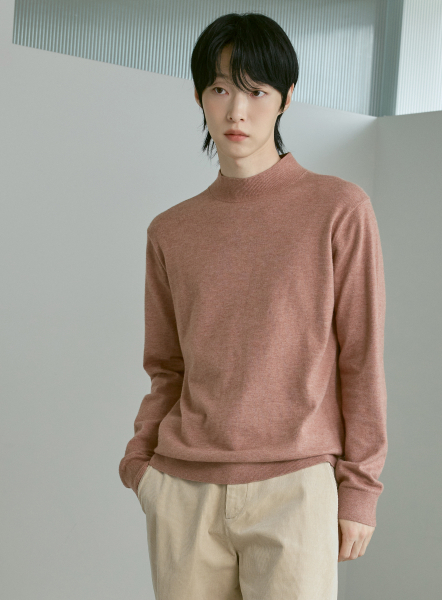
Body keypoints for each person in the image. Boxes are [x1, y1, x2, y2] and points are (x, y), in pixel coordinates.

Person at [119, 12, 387, 600]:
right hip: (183, 491)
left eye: (256, 91)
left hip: (295, 488)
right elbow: (166, 367)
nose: (237, 111)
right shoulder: (171, 230)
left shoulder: (339, 209)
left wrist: (360, 490)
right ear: (199, 96)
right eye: (220, 89)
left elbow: (361, 358)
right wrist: (141, 465)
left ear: (286, 97)